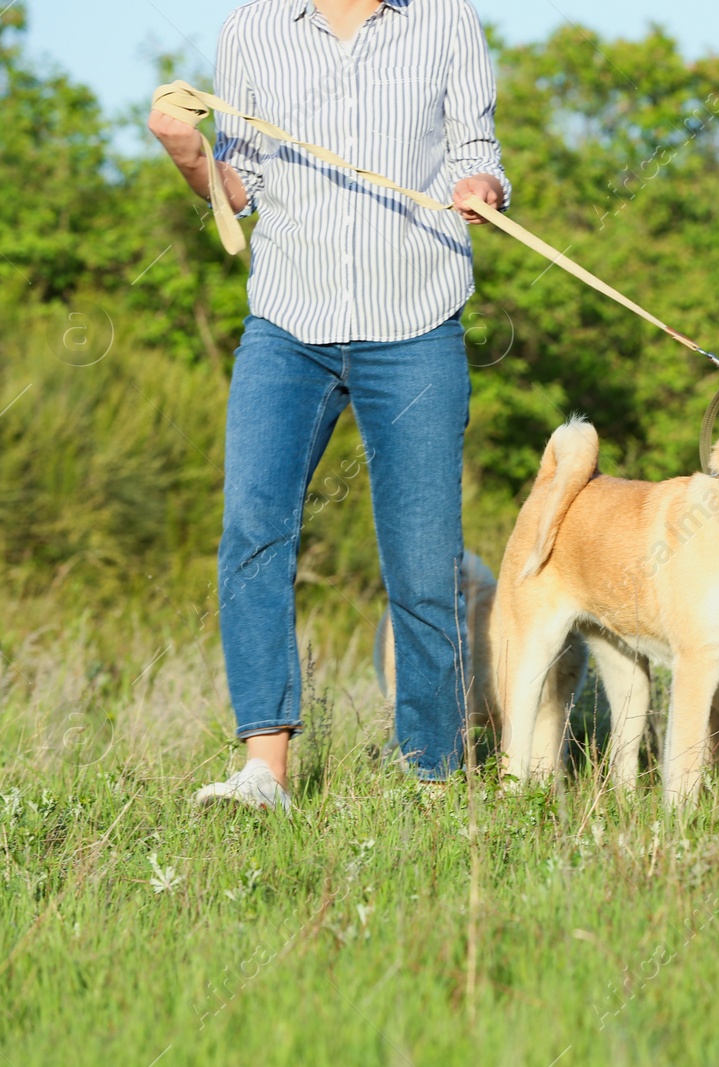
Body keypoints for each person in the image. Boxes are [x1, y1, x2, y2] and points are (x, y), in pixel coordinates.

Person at [148, 0, 509, 810]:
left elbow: (476, 150)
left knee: (423, 561)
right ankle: (264, 770)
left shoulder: (447, 20)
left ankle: (430, 772)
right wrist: (189, 156)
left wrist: (480, 185)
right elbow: (238, 188)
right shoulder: (252, 30)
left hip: (416, 321)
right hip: (288, 324)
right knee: (252, 532)